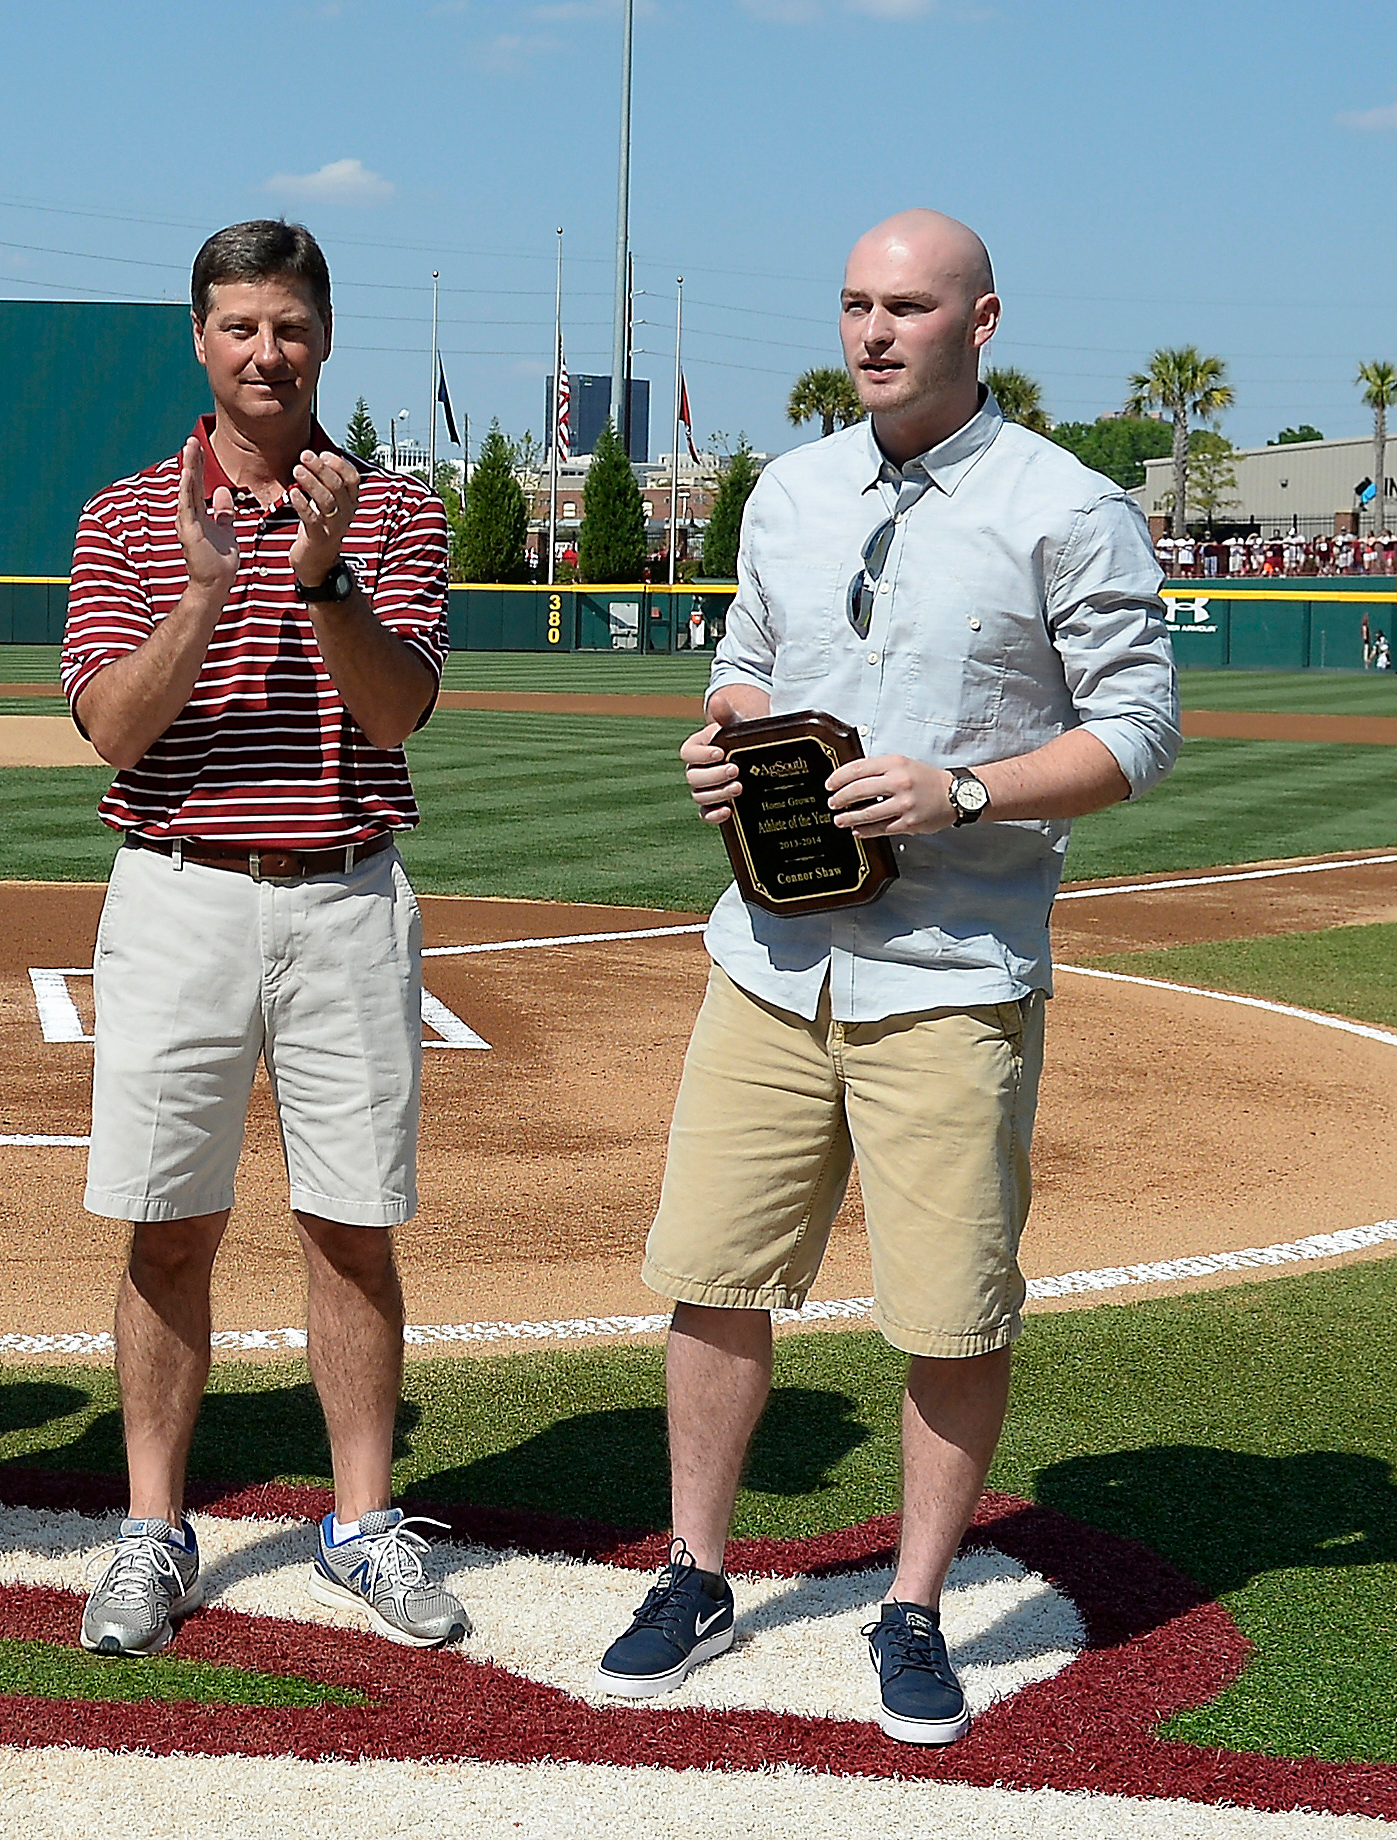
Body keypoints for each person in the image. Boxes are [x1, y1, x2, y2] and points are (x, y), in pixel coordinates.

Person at [594, 210, 1178, 1745]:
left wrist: (966, 792)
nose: (874, 331)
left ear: (982, 321)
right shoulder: (789, 490)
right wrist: (724, 733)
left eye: (908, 306)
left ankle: (913, 1605)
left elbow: (1138, 733)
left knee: (949, 1314)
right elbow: (747, 656)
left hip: (953, 970)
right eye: (855, 302)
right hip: (772, 960)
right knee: (711, 1279)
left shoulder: (1068, 505)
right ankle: (696, 1570)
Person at [62, 220, 468, 1658]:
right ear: (200, 339)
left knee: (352, 1225)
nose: (264, 351)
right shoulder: (124, 512)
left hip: (348, 887)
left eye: (288, 325)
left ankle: (361, 1524)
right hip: (178, 886)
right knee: (167, 1225)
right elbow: (111, 725)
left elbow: (397, 713)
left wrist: (320, 571)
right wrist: (210, 587)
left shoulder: (395, 513)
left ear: (324, 336)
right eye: (238, 325)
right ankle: (152, 1530)